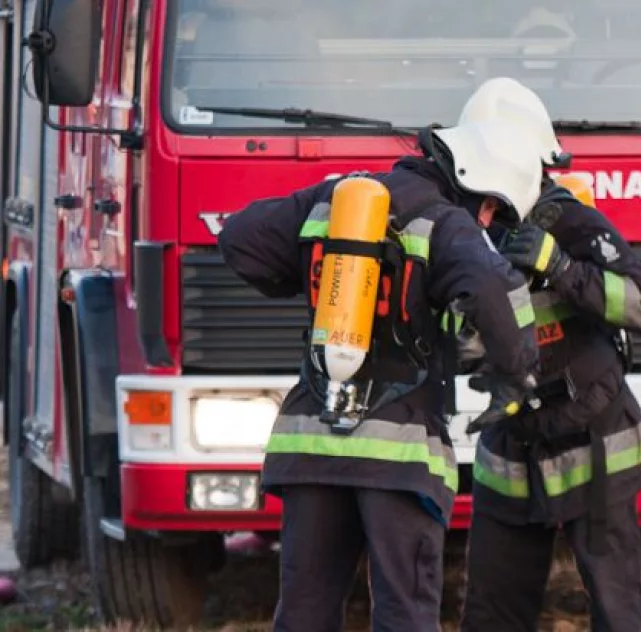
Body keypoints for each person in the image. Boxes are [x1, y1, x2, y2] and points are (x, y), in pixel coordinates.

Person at [217, 117, 545, 632]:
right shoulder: (446, 222)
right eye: (490, 206)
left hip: (311, 444)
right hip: (399, 453)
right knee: (405, 611)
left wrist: (306, 275)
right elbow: (495, 289)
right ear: (469, 181)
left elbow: (238, 238)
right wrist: (516, 374)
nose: (488, 220)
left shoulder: (331, 199)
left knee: (304, 613)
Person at [454, 77, 641, 632]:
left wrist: (563, 268)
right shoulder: (469, 230)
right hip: (512, 449)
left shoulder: (570, 222)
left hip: (595, 445)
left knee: (617, 614)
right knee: (492, 616)